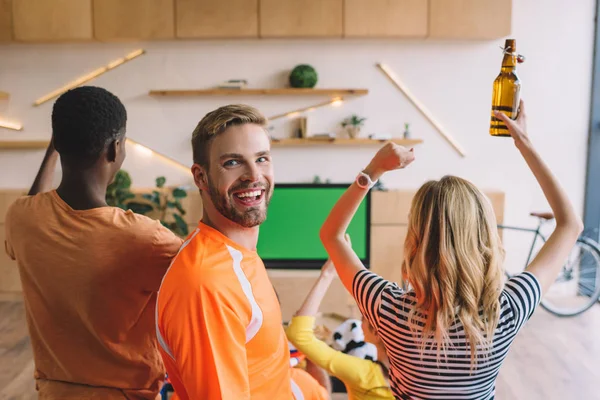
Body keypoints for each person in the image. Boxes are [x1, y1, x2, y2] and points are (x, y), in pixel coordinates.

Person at [319, 99, 583, 399]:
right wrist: (524, 144)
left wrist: (372, 171)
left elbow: (332, 235)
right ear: (484, 237)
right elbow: (570, 224)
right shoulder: (506, 311)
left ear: (415, 239)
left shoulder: (388, 309)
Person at [4, 86, 184, 399]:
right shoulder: (147, 239)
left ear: (58, 144)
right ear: (115, 149)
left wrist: (55, 147)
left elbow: (34, 201)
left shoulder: (22, 219)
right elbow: (210, 285)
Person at [155, 104, 294, 399]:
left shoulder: (236, 252)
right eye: (233, 163)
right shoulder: (207, 284)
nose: (254, 175)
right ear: (201, 177)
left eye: (262, 159)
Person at [287, 240, 394, 400]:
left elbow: (299, 335)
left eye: (364, 318)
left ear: (377, 333)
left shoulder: (364, 374)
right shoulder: (418, 374)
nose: (359, 321)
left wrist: (327, 274)